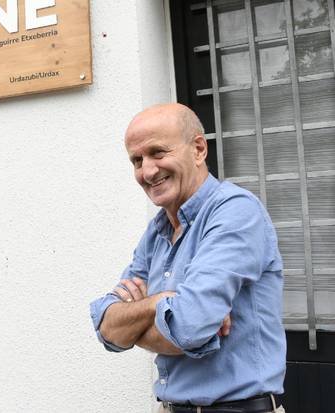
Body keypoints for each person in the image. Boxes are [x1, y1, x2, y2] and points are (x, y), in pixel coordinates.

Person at [89, 104, 286, 412]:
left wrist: (137, 320)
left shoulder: (235, 211)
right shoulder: (157, 231)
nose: (147, 171)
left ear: (198, 149)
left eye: (158, 152)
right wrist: (160, 303)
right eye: (137, 160)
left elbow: (189, 328)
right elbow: (107, 330)